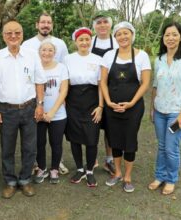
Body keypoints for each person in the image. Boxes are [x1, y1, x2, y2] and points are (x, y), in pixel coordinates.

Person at [0, 20, 46, 199]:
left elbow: (39, 81)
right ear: (3, 36)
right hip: (7, 110)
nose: (13, 36)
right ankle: (10, 181)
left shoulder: (32, 55)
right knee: (7, 148)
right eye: (9, 33)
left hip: (29, 108)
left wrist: (40, 105)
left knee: (30, 147)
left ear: (22, 34)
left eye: (17, 33)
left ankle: (25, 179)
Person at [100, 21, 151, 193]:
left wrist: (131, 102)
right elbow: (103, 82)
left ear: (132, 35)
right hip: (112, 107)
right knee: (114, 139)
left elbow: (145, 84)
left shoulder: (142, 56)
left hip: (133, 108)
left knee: (129, 140)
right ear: (115, 37)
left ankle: (128, 177)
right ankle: (117, 173)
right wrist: (108, 102)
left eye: (126, 33)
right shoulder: (108, 56)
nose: (122, 36)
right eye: (119, 34)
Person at [149, 22, 181, 195]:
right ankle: (159, 176)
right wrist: (152, 108)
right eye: (167, 34)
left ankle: (171, 179)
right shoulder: (159, 59)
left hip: (177, 112)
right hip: (160, 110)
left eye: (174, 34)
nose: (170, 38)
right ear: (163, 38)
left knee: (171, 147)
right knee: (162, 146)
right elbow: (155, 86)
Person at [64, 27, 104, 187]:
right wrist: (64, 102)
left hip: (92, 102)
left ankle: (89, 171)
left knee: (91, 138)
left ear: (91, 41)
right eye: (81, 39)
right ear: (76, 42)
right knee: (74, 138)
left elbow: (101, 85)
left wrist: (101, 106)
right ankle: (79, 169)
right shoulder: (68, 59)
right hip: (73, 101)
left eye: (87, 39)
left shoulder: (98, 59)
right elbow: (65, 82)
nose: (84, 42)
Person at [33, 40, 68, 184]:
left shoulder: (61, 68)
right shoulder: (34, 67)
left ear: (55, 53)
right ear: (39, 52)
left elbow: (64, 90)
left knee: (56, 143)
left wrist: (52, 112)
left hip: (57, 114)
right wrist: (39, 111)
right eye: (44, 50)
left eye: (50, 50)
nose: (46, 53)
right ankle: (41, 168)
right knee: (39, 143)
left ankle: (54, 169)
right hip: (38, 113)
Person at [91, 12, 119, 175]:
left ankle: (109, 160)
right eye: (98, 22)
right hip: (92, 90)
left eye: (105, 22)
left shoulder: (116, 43)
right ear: (94, 26)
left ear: (110, 25)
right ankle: (92, 159)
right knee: (92, 125)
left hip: (112, 89)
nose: (102, 25)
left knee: (110, 127)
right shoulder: (90, 42)